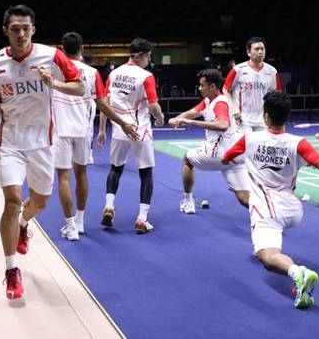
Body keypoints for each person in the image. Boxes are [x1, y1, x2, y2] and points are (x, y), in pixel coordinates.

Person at [0, 4, 84, 300]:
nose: (21, 34)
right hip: (9, 140)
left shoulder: (52, 56)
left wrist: (55, 83)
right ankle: (12, 270)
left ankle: (25, 224)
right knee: (12, 202)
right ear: (6, 31)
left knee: (39, 201)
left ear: (33, 30)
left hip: (41, 142)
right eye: (15, 29)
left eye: (26, 28)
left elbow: (79, 87)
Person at [222, 92, 319, 308]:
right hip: (293, 210)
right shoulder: (299, 143)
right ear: (286, 116)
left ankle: (298, 273)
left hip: (267, 210)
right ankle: (264, 243)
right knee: (264, 233)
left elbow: (226, 158)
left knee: (267, 258)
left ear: (265, 116)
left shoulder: (249, 139)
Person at [53, 32, 137, 241]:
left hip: (60, 131)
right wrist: (123, 123)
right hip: (83, 131)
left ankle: (71, 226)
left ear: (63, 49)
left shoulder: (54, 70)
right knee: (81, 174)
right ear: (82, 50)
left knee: (64, 177)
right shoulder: (92, 73)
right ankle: (80, 222)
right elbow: (102, 105)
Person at [96, 37, 165, 233]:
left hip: (119, 129)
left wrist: (102, 129)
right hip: (139, 130)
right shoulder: (146, 76)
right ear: (139, 56)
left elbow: (104, 104)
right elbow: (153, 105)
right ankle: (142, 219)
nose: (149, 59)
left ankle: (109, 206)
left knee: (115, 169)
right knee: (146, 173)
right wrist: (160, 118)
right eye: (148, 56)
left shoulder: (113, 74)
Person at [168, 69, 249, 214]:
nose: (199, 88)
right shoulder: (208, 101)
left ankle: (188, 203)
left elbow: (223, 125)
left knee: (187, 159)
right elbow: (192, 112)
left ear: (213, 87)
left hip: (217, 155)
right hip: (234, 157)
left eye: (202, 85)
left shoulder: (220, 103)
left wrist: (191, 123)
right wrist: (178, 119)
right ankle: (271, 215)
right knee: (244, 198)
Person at [222, 36, 281, 133]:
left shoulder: (272, 71)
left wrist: (273, 113)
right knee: (246, 146)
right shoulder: (238, 70)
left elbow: (277, 94)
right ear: (248, 52)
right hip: (242, 119)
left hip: (263, 120)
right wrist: (233, 108)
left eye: (262, 49)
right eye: (256, 49)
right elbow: (225, 90)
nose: (260, 52)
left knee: (260, 147)